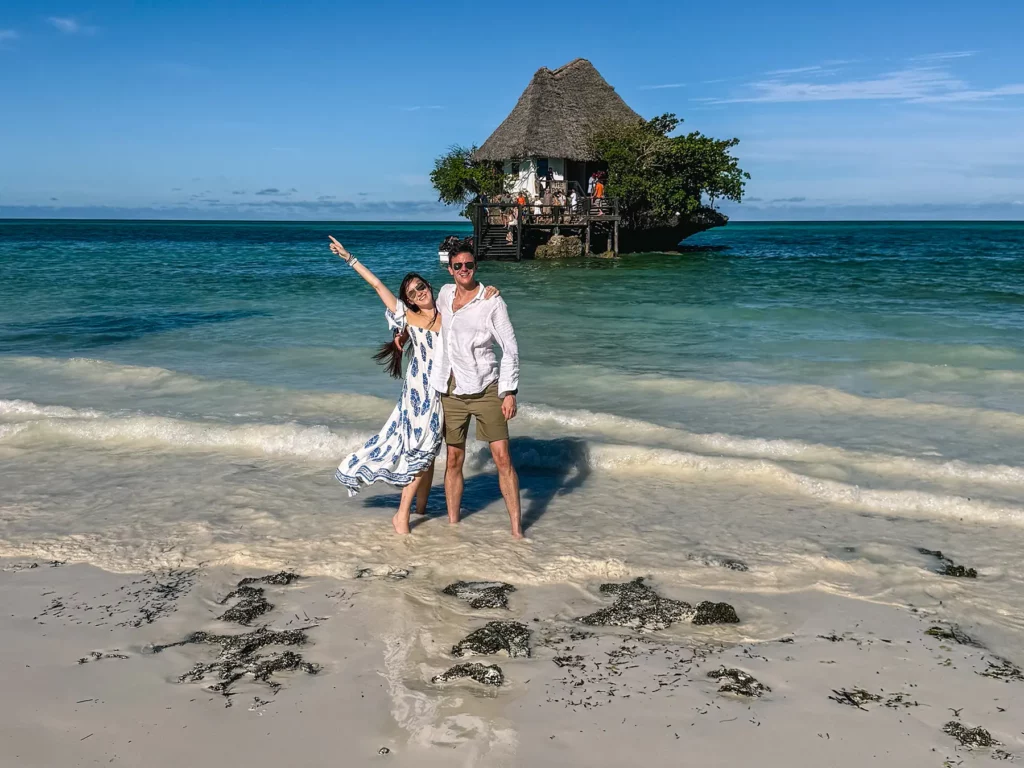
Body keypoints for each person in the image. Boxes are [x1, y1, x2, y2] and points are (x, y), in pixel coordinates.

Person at [327, 235, 499, 534]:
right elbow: (378, 286)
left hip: (443, 390)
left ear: (429, 287)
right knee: (423, 452)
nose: (418, 292)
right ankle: (402, 516)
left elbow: (471, 299)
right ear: (406, 299)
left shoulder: (449, 311)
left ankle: (421, 509)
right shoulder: (407, 317)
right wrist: (349, 258)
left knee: (428, 452)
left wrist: (489, 292)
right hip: (419, 394)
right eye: (411, 292)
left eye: (421, 286)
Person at [430, 245, 523, 539]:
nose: (463, 270)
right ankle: (454, 524)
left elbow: (510, 348)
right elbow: (417, 305)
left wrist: (509, 391)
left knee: (502, 458)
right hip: (451, 390)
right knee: (453, 459)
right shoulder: (445, 294)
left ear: (476, 266)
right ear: (450, 269)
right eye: (458, 266)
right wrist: (400, 332)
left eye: (468, 264)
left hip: (485, 388)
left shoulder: (492, 302)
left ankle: (517, 531)